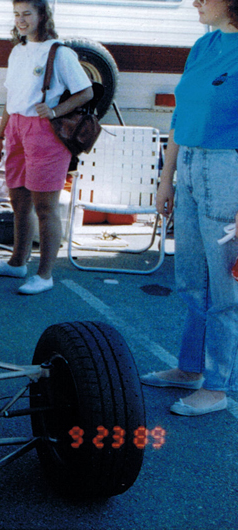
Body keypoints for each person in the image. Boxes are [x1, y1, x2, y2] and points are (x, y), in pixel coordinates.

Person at [139, 0, 238, 416]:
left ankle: (217, 385)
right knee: (191, 279)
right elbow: (181, 115)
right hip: (192, 166)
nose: (195, 0)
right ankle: (190, 368)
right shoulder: (204, 44)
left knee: (225, 288)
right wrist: (166, 178)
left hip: (228, 168)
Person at [0, 0, 93, 295]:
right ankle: (17, 262)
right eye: (17, 15)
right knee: (18, 201)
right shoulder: (18, 51)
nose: (21, 20)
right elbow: (11, 97)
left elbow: (86, 91)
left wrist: (56, 111)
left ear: (42, 15)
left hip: (44, 132)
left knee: (45, 207)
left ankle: (45, 275)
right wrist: (0, 134)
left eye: (27, 14)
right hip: (17, 127)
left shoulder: (60, 53)